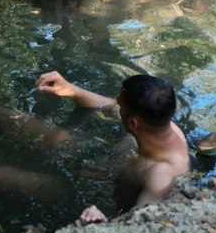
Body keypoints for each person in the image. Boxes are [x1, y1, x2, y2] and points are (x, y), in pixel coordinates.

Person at [35, 71, 190, 219]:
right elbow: (108, 105)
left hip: (69, 188)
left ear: (133, 123)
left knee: (11, 176)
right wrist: (71, 90)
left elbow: (139, 223)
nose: (117, 107)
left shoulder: (160, 175)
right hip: (92, 170)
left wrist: (104, 222)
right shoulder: (159, 123)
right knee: (19, 120)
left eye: (121, 107)